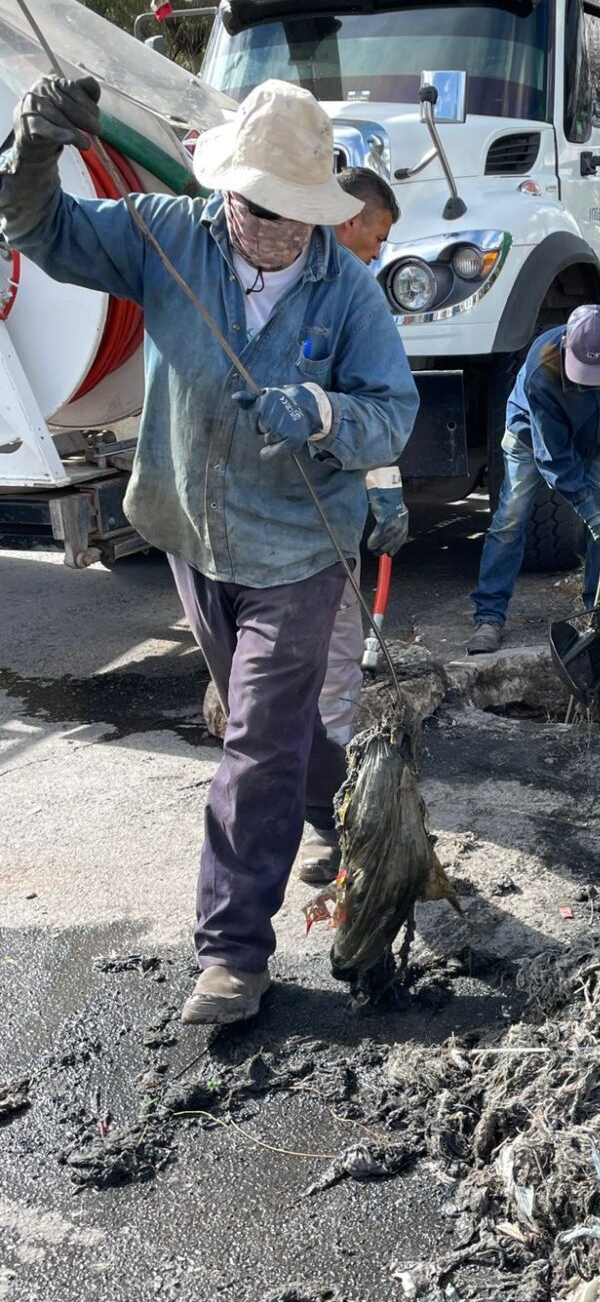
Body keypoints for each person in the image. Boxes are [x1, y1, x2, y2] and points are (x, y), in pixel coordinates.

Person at [0, 75, 419, 1024]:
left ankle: (233, 953)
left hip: (299, 548)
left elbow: (393, 414)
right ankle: (340, 808)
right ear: (226, 188)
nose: (272, 228)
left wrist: (321, 413)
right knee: (272, 726)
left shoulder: (346, 289)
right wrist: (30, 153)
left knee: (254, 738)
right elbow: (43, 232)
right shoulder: (166, 236)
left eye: (295, 215)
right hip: (192, 534)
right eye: (256, 207)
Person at [298, 166, 406, 885]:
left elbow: (376, 408)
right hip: (273, 526)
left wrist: (386, 491)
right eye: (379, 234)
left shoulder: (352, 296)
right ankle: (315, 815)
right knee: (306, 672)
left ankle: (324, 821)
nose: (380, 251)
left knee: (335, 665)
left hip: (324, 517)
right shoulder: (290, 281)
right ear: (349, 218)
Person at [467, 305, 600, 653]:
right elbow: (554, 457)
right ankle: (489, 615)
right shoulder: (542, 368)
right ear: (565, 344)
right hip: (531, 438)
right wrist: (587, 512)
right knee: (511, 518)